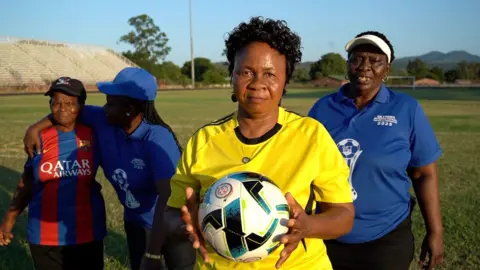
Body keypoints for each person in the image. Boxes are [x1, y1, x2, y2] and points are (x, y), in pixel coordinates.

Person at [161, 17, 355, 270]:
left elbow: (343, 215)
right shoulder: (204, 140)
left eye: (270, 74)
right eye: (246, 72)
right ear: (232, 74)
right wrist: (186, 224)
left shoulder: (311, 136)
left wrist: (308, 226)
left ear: (285, 81)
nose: (257, 84)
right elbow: (172, 212)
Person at [23, 67, 196, 270]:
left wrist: (153, 253)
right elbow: (68, 110)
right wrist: (34, 128)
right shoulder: (105, 122)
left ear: (130, 109)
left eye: (111, 103)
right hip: (136, 224)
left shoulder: (157, 138)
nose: (104, 108)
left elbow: (167, 200)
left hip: (171, 225)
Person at [308, 31, 445, 270]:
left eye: (375, 60)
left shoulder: (406, 109)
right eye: (357, 59)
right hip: (327, 235)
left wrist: (436, 232)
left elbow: (424, 174)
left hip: (386, 239)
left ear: (387, 69)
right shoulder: (322, 109)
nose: (364, 67)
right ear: (348, 64)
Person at [0, 77, 106, 270]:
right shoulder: (38, 139)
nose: (62, 108)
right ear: (49, 105)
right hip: (44, 234)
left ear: (81, 105)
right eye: (56, 102)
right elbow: (27, 183)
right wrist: (9, 219)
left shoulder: (94, 135)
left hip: (88, 231)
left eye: (69, 103)